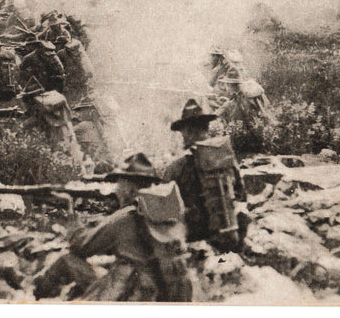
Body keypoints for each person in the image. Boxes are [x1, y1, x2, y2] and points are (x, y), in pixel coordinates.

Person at [35, 153, 193, 302]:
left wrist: (73, 225)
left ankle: (33, 294)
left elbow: (81, 246)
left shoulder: (126, 217)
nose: (117, 189)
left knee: (67, 260)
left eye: (119, 184)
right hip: (168, 291)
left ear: (127, 187)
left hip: (135, 294)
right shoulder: (168, 214)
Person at [164, 98, 247, 252]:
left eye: (183, 132)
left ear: (188, 131)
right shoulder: (226, 157)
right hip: (229, 232)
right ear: (207, 128)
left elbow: (166, 209)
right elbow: (241, 193)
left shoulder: (177, 166)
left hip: (196, 239)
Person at [56, 35, 95, 102]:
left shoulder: (61, 53)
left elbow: (59, 66)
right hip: (82, 73)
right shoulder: (77, 51)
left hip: (72, 75)